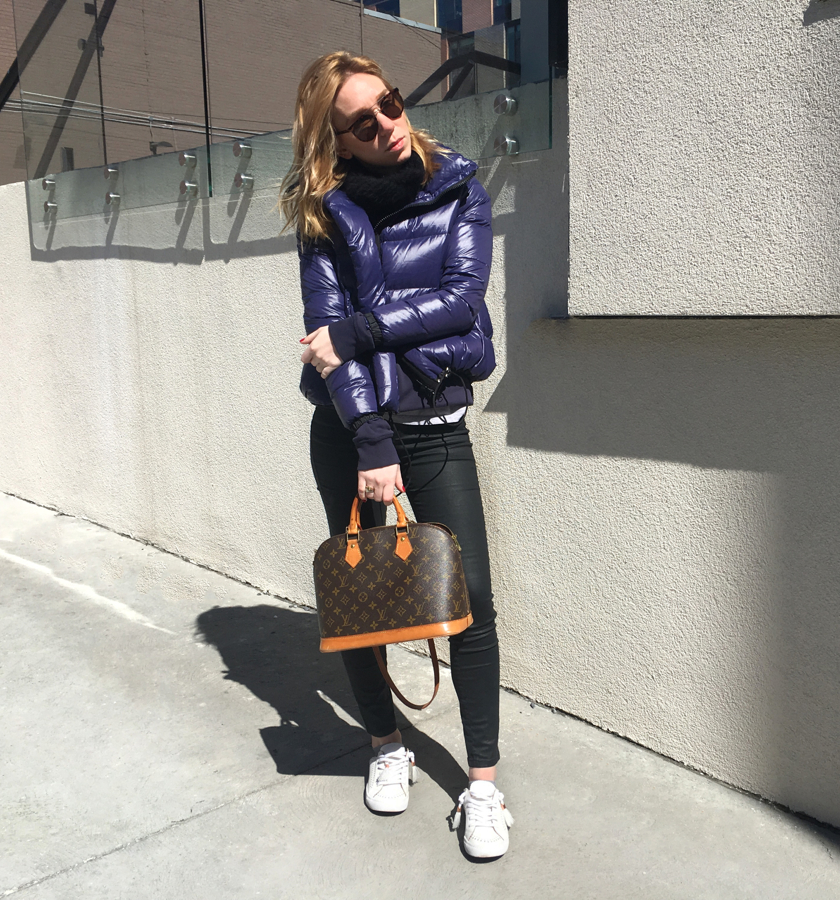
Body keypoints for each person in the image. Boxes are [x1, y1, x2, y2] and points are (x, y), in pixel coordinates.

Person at [279, 51, 512, 859]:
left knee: (470, 598)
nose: (387, 123)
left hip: (435, 424)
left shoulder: (458, 186)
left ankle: (482, 786)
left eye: (390, 102)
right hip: (350, 432)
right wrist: (371, 437)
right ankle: (385, 744)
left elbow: (462, 301)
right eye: (362, 120)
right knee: (362, 597)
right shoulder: (323, 212)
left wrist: (361, 330)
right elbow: (323, 344)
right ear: (335, 140)